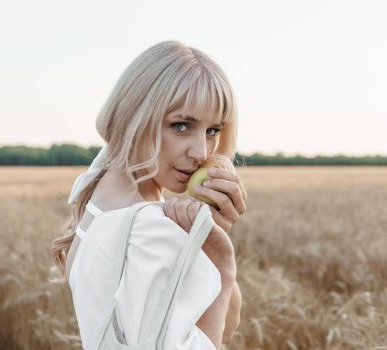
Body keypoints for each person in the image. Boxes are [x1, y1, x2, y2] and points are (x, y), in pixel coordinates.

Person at [50, 40, 247, 350]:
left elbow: (224, 326)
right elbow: (222, 334)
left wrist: (208, 236)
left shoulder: (94, 194)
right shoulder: (149, 230)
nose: (201, 152)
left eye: (213, 131)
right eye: (181, 126)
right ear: (135, 117)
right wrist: (221, 262)